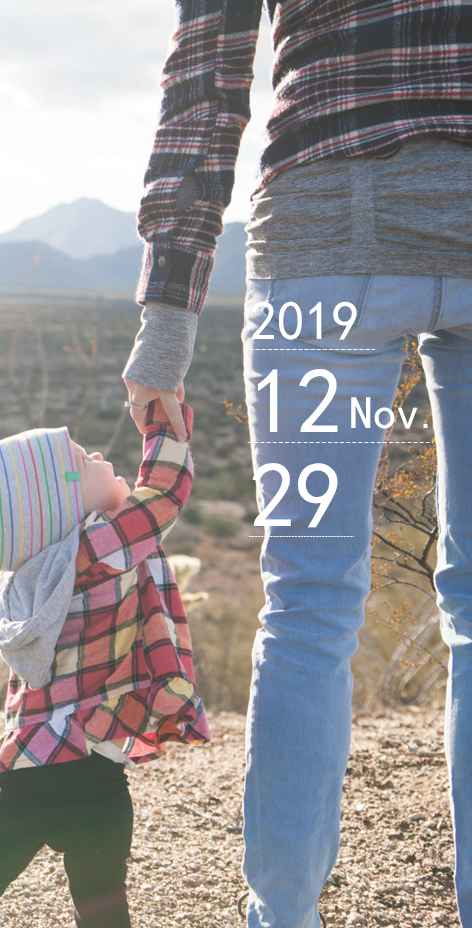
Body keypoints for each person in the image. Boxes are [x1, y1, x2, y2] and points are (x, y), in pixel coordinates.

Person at [120, 3, 472, 926]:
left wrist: (165, 327)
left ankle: (281, 919)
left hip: (321, 237)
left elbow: (206, 80)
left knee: (309, 598)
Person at [0, 396, 208, 928]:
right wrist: (158, 419)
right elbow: (166, 492)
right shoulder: (97, 546)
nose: (99, 454)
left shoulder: (25, 576)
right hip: (90, 770)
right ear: (62, 504)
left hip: (23, 768)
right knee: (100, 897)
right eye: (82, 459)